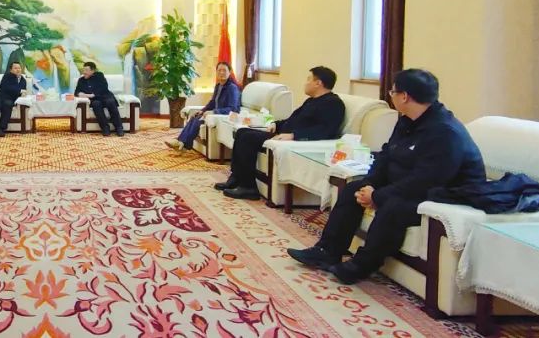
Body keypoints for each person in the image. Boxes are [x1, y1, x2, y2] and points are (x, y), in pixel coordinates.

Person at [288, 69, 486, 284]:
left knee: (393, 206)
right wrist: (370, 184)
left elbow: (427, 180)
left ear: (404, 96)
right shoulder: (407, 120)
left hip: (446, 194)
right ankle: (327, 251)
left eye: (393, 92)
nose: (391, 96)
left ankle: (361, 265)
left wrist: (378, 196)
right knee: (354, 188)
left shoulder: (445, 132)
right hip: (412, 183)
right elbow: (387, 155)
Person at [218, 66, 345, 200]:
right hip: (282, 135)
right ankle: (236, 177)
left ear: (318, 83)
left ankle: (248, 187)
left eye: (309, 79)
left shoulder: (333, 104)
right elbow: (293, 120)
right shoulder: (311, 101)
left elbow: (325, 131)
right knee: (242, 132)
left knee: (247, 138)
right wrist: (276, 124)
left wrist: (294, 135)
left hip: (293, 140)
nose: (305, 83)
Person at [166, 61, 241, 151]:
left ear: (229, 72)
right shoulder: (218, 86)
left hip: (223, 117)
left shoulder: (232, 88)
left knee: (197, 120)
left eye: (224, 70)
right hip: (215, 114)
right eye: (219, 70)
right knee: (195, 116)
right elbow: (212, 103)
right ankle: (181, 142)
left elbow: (233, 109)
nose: (221, 72)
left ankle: (182, 144)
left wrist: (214, 112)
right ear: (216, 72)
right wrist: (202, 110)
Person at [74, 61, 124, 137]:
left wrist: (93, 94)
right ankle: (105, 128)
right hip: (95, 100)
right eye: (84, 70)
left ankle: (119, 127)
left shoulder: (99, 75)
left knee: (110, 102)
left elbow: (104, 87)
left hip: (105, 96)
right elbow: (77, 92)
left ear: (92, 71)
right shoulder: (81, 80)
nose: (84, 72)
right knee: (96, 104)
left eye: (86, 70)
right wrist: (89, 95)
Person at [0, 61, 28, 137]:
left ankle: (2, 129)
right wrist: (19, 90)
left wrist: (21, 93)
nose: (18, 70)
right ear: (11, 70)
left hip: (10, 98)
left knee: (8, 105)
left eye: (19, 68)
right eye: (15, 68)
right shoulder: (7, 76)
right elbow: (6, 87)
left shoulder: (23, 80)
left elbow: (23, 91)